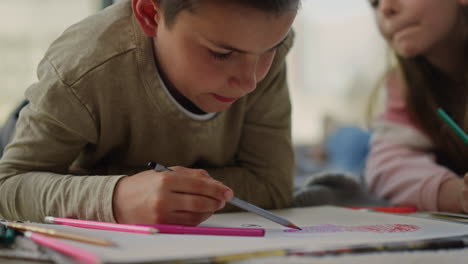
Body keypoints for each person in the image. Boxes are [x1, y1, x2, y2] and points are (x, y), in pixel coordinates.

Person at [0, 0, 299, 225]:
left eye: (271, 48)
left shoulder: (256, 46)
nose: (250, 82)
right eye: (221, 53)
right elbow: (8, 185)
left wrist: (114, 184)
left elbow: (272, 186)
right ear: (149, 14)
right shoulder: (81, 71)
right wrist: (116, 198)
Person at [365, 0, 468, 212]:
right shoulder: (403, 86)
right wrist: (458, 194)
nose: (385, 8)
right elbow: (387, 165)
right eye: (374, 2)